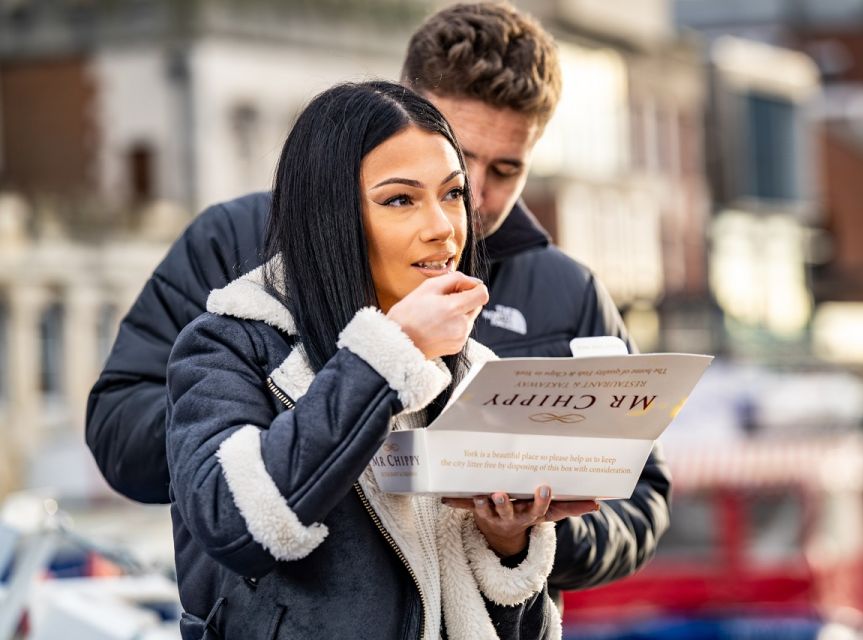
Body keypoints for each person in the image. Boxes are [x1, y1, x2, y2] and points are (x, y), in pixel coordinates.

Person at [87, 1, 670, 604]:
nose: (474, 197)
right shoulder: (234, 242)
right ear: (403, 109)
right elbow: (125, 434)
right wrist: (309, 425)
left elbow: (641, 502)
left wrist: (525, 519)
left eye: (505, 169)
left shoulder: (567, 291)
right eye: (456, 154)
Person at [169, 80, 579, 639]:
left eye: (453, 193)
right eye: (400, 199)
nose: (442, 227)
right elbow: (236, 523)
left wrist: (506, 545)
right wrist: (388, 356)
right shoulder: (228, 348)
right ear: (328, 219)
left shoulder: (468, 368)